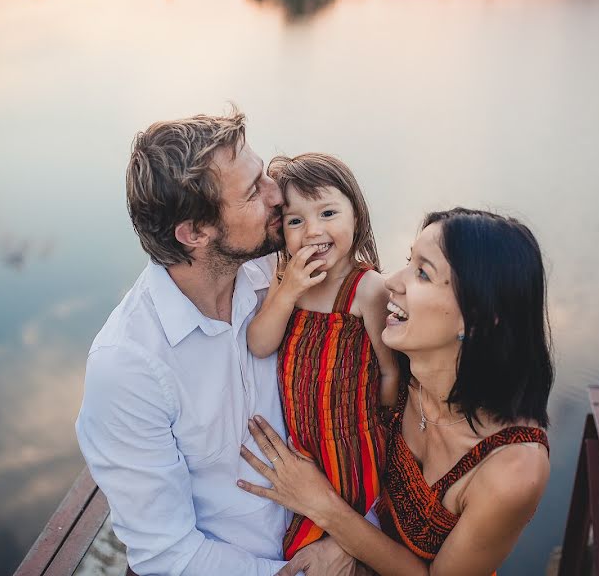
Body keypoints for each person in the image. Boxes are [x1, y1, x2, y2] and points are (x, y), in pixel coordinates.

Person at [75, 111, 361, 575]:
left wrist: (347, 536)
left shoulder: (285, 272)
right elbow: (170, 555)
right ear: (194, 232)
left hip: (334, 536)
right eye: (253, 191)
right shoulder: (128, 367)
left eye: (265, 174)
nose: (278, 195)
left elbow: (373, 403)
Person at [238, 208, 555, 575]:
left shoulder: (514, 467)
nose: (392, 282)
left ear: (481, 316)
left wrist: (325, 508)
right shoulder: (394, 367)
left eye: (422, 272)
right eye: (408, 261)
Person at [246, 153, 399, 559]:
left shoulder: (368, 289)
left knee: (339, 530)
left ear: (356, 215)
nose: (313, 231)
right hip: (303, 445)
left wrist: (381, 430)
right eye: (296, 221)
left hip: (353, 444)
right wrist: (288, 291)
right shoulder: (286, 281)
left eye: (328, 212)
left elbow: (390, 373)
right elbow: (260, 343)